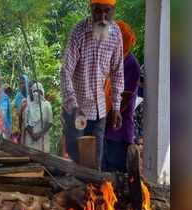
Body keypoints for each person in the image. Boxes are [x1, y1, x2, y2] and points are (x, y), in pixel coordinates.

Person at [60, 0, 124, 169]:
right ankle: (74, 195)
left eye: (107, 11)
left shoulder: (116, 33)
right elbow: (66, 71)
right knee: (76, 165)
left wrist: (116, 107)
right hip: (77, 113)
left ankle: (95, 195)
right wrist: (73, 106)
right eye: (97, 11)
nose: (102, 17)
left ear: (113, 11)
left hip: (100, 112)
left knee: (96, 165)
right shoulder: (79, 31)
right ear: (90, 9)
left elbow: (118, 71)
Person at [102, 20, 141, 172]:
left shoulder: (131, 64)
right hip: (106, 132)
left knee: (114, 180)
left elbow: (122, 102)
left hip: (118, 135)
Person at [24, 82, 53, 153]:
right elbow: (26, 123)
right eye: (35, 91)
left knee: (42, 161)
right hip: (30, 141)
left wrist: (39, 134)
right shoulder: (29, 106)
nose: (36, 93)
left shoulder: (47, 105)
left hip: (42, 141)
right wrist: (32, 134)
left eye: (38, 91)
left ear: (42, 92)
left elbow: (50, 122)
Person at [12, 74, 29, 144]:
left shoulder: (31, 96)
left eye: (23, 83)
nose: (21, 85)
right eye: (20, 83)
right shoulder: (18, 97)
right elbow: (15, 112)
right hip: (20, 126)